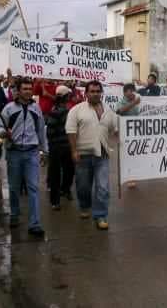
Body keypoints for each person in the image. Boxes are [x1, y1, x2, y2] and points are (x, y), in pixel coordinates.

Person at [0, 77, 48, 237]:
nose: (27, 91)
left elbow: (41, 131)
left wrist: (45, 150)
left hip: (32, 152)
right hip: (14, 152)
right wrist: (5, 132)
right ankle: (14, 214)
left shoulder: (36, 108)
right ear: (18, 91)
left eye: (29, 89)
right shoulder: (8, 109)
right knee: (14, 187)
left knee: (33, 187)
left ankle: (35, 223)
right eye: (24, 89)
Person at [66, 81, 118, 230]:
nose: (95, 94)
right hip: (83, 155)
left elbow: (115, 128)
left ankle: (101, 215)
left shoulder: (108, 110)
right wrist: (74, 151)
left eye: (98, 91)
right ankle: (84, 205)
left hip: (102, 155)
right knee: (83, 187)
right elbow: (71, 131)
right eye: (92, 91)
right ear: (86, 93)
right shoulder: (77, 110)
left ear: (101, 93)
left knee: (103, 187)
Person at [46, 85, 74, 210]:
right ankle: (55, 200)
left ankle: (65, 190)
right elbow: (50, 131)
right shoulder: (56, 111)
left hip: (66, 145)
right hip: (57, 146)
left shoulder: (66, 110)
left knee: (69, 170)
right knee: (55, 174)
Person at [116, 83, 141, 188]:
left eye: (133, 91)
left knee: (135, 156)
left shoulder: (139, 101)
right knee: (127, 157)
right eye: (129, 91)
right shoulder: (121, 102)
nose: (132, 93)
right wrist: (133, 103)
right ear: (125, 92)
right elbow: (119, 111)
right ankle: (128, 178)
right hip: (125, 135)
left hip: (137, 133)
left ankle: (133, 177)